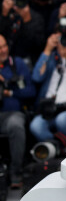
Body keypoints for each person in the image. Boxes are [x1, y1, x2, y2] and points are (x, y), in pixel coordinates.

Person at [0, 34, 35, 188]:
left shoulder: (18, 64)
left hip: (12, 114)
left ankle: (16, 172)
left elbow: (30, 91)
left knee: (16, 125)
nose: (2, 50)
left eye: (4, 46)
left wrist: (9, 88)